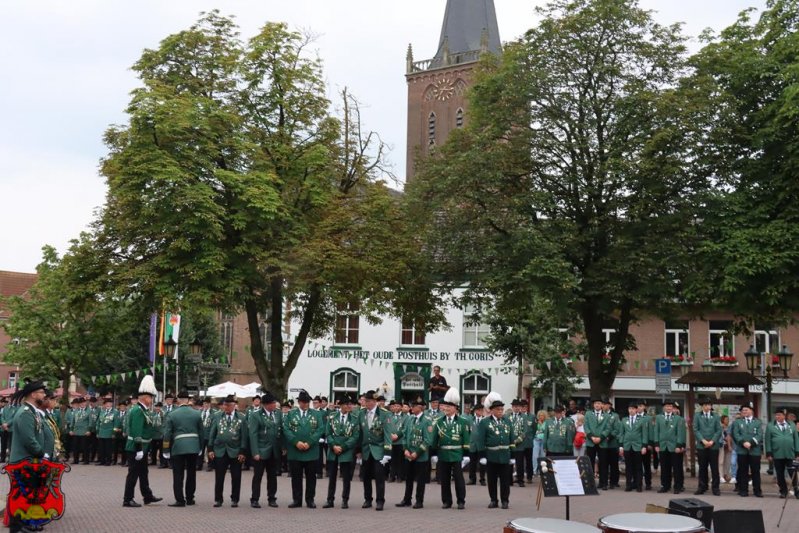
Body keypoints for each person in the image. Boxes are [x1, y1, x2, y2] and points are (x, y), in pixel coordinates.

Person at [123, 375, 163, 508]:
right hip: (136, 447)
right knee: (133, 474)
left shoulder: (143, 410)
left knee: (143, 473)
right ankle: (128, 499)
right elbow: (136, 431)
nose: (152, 400)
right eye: (151, 398)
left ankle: (147, 496)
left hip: (143, 447)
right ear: (145, 398)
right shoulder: (138, 411)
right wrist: (139, 448)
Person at [283, 390, 324, 508]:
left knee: (311, 477)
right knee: (296, 477)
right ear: (299, 402)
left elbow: (320, 429)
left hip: (311, 451)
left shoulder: (316, 414)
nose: (305, 404)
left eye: (307, 402)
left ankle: (310, 499)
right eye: (303, 402)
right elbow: (286, 429)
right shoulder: (291, 414)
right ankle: (297, 499)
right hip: (295, 451)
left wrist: (310, 442)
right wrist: (296, 442)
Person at [474, 392, 515, 509]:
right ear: (492, 410)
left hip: (505, 455)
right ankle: (493, 500)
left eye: (502, 409)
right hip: (491, 455)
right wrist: (482, 456)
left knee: (505, 480)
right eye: (498, 409)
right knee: (491, 480)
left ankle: (505, 500)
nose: (500, 411)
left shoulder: (507, 421)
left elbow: (511, 438)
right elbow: (480, 439)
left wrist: (512, 456)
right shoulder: (485, 422)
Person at [162, 391, 203, 507]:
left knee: (178, 474)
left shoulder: (172, 414)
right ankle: (190, 498)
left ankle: (180, 500)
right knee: (191, 473)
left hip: (178, 446)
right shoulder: (196, 413)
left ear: (179, 400)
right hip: (194, 446)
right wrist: (200, 447)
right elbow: (201, 432)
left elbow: (167, 433)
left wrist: (165, 449)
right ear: (188, 400)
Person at [432, 388, 470, 510]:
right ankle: (447, 501)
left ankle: (461, 501)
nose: (446, 409)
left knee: (459, 479)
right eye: (445, 407)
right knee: (444, 479)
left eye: (449, 407)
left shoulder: (463, 422)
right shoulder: (439, 422)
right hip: (443, 453)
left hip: (457, 453)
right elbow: (434, 439)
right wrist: (434, 453)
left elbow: (466, 439)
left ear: (455, 408)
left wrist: (466, 455)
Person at [208, 395, 247, 508]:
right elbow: (212, 433)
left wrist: (242, 451)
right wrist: (210, 449)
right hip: (220, 450)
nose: (226, 407)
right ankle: (218, 499)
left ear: (234, 405)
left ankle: (235, 499)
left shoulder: (241, 418)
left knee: (236, 476)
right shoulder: (217, 416)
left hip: (235, 451)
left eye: (228, 405)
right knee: (219, 477)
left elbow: (244, 437)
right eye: (225, 405)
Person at [323, 394, 360, 509]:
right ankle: (330, 500)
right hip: (333, 450)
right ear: (341, 406)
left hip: (346, 450)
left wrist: (343, 447)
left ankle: (345, 499)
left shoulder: (354, 418)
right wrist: (334, 445)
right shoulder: (332, 417)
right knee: (332, 477)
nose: (350, 406)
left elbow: (355, 436)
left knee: (346, 477)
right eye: (347, 404)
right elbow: (328, 433)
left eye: (350, 404)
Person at [396, 397, 433, 509]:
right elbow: (405, 435)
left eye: (414, 406)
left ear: (420, 407)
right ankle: (407, 499)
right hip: (409, 454)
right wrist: (406, 449)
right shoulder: (410, 419)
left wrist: (417, 453)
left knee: (420, 480)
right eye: (411, 406)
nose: (411, 408)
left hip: (420, 456)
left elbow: (428, 440)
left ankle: (419, 500)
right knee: (409, 478)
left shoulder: (427, 420)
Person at [358, 390, 392, 511]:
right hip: (366, 449)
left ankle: (380, 501)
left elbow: (388, 434)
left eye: (369, 401)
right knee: (366, 476)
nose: (367, 403)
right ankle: (368, 499)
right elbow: (360, 433)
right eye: (366, 401)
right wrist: (358, 452)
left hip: (379, 450)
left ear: (374, 402)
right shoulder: (361, 413)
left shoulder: (384, 414)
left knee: (379, 477)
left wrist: (387, 453)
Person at [248, 390, 283, 509]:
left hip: (274, 450)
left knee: (272, 476)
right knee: (258, 476)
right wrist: (255, 452)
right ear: (266, 404)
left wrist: (282, 447)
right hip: (261, 450)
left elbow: (280, 431)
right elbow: (253, 435)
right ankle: (255, 499)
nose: (275, 405)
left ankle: (272, 498)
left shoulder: (278, 414)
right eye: (273, 403)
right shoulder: (256, 415)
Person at [764, 406, 799, 499]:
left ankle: (796, 490)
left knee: (793, 472)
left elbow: (796, 438)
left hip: (790, 453)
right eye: (776, 415)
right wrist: (769, 453)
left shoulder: (791, 424)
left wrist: (797, 452)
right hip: (777, 453)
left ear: (784, 415)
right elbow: (767, 440)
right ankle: (783, 491)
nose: (777, 417)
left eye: (779, 415)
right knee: (779, 473)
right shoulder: (771, 425)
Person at [654, 398, 686, 494]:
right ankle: (665, 485)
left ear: (673, 408)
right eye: (667, 406)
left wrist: (679, 445)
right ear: (664, 407)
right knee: (664, 468)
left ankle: (678, 486)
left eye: (670, 406)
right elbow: (656, 431)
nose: (669, 408)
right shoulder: (659, 418)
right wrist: (656, 444)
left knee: (677, 468)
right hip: (663, 445)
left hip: (674, 446)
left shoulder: (678, 419)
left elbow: (681, 433)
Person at [732, 403, 763, 497]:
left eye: (746, 410)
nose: (744, 412)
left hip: (755, 451)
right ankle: (743, 490)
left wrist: (751, 443)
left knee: (756, 471)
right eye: (742, 411)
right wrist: (743, 443)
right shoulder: (738, 422)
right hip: (742, 450)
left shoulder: (758, 422)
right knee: (742, 471)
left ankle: (757, 491)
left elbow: (759, 435)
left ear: (751, 410)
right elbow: (736, 434)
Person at [692, 397, 722, 496]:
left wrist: (712, 441)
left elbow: (718, 430)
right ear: (702, 406)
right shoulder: (697, 416)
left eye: (708, 405)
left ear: (711, 406)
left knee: (714, 468)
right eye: (705, 405)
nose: (707, 406)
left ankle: (715, 488)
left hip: (713, 446)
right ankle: (702, 486)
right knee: (702, 467)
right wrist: (703, 440)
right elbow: (696, 429)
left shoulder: (716, 416)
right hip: (702, 445)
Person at [618, 402, 648, 492]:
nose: (631, 410)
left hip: (638, 446)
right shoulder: (624, 420)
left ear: (636, 410)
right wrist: (621, 446)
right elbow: (621, 433)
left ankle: (639, 485)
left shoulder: (641, 420)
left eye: (633, 409)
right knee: (628, 467)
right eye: (629, 409)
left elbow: (644, 434)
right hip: (627, 446)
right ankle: (628, 485)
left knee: (638, 467)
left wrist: (644, 446)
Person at [584, 397, 610, 489]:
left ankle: (603, 483)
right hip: (591, 442)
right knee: (589, 462)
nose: (597, 405)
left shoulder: (607, 415)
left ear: (602, 405)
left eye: (599, 403)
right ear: (593, 405)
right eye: (595, 403)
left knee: (603, 463)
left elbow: (608, 428)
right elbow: (586, 427)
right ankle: (590, 483)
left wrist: (601, 437)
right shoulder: (588, 414)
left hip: (602, 442)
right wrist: (591, 437)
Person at [466, 404, 486, 486]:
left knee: (482, 463)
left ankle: (482, 479)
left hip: (482, 445)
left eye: (482, 410)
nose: (480, 412)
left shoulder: (485, 420)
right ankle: (472, 479)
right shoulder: (470, 420)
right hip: (473, 445)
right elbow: (467, 432)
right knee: (472, 463)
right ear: (475, 411)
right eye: (479, 410)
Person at [637, 399, 654, 490]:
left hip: (646, 444)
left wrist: (650, 443)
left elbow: (651, 431)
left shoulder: (648, 418)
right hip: (636, 445)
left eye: (641, 406)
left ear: (644, 407)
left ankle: (648, 483)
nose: (639, 408)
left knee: (646, 465)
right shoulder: (634, 417)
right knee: (637, 465)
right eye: (638, 406)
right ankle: (637, 482)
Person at [96, 397, 117, 466]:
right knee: (101, 448)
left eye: (110, 403)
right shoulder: (102, 411)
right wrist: (97, 432)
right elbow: (98, 422)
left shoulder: (115, 412)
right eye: (106, 404)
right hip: (101, 432)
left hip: (109, 432)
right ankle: (102, 461)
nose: (108, 405)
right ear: (104, 405)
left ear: (111, 404)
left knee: (108, 448)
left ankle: (108, 461)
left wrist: (114, 433)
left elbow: (116, 424)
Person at [719, 414, 732, 484]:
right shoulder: (720, 427)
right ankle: (720, 475)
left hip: (728, 446)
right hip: (722, 445)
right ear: (722, 420)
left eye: (728, 419)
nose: (727, 421)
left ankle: (726, 474)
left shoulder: (729, 427)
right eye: (726, 419)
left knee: (728, 461)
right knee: (721, 461)